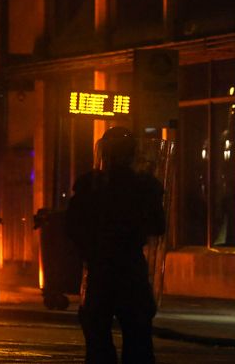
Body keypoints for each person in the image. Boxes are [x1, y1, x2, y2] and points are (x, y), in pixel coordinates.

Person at [66, 126, 165, 364]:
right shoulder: (143, 187)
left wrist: (88, 250)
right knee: (138, 341)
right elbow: (158, 226)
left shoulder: (91, 186)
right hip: (131, 269)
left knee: (98, 340)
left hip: (101, 269)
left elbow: (73, 228)